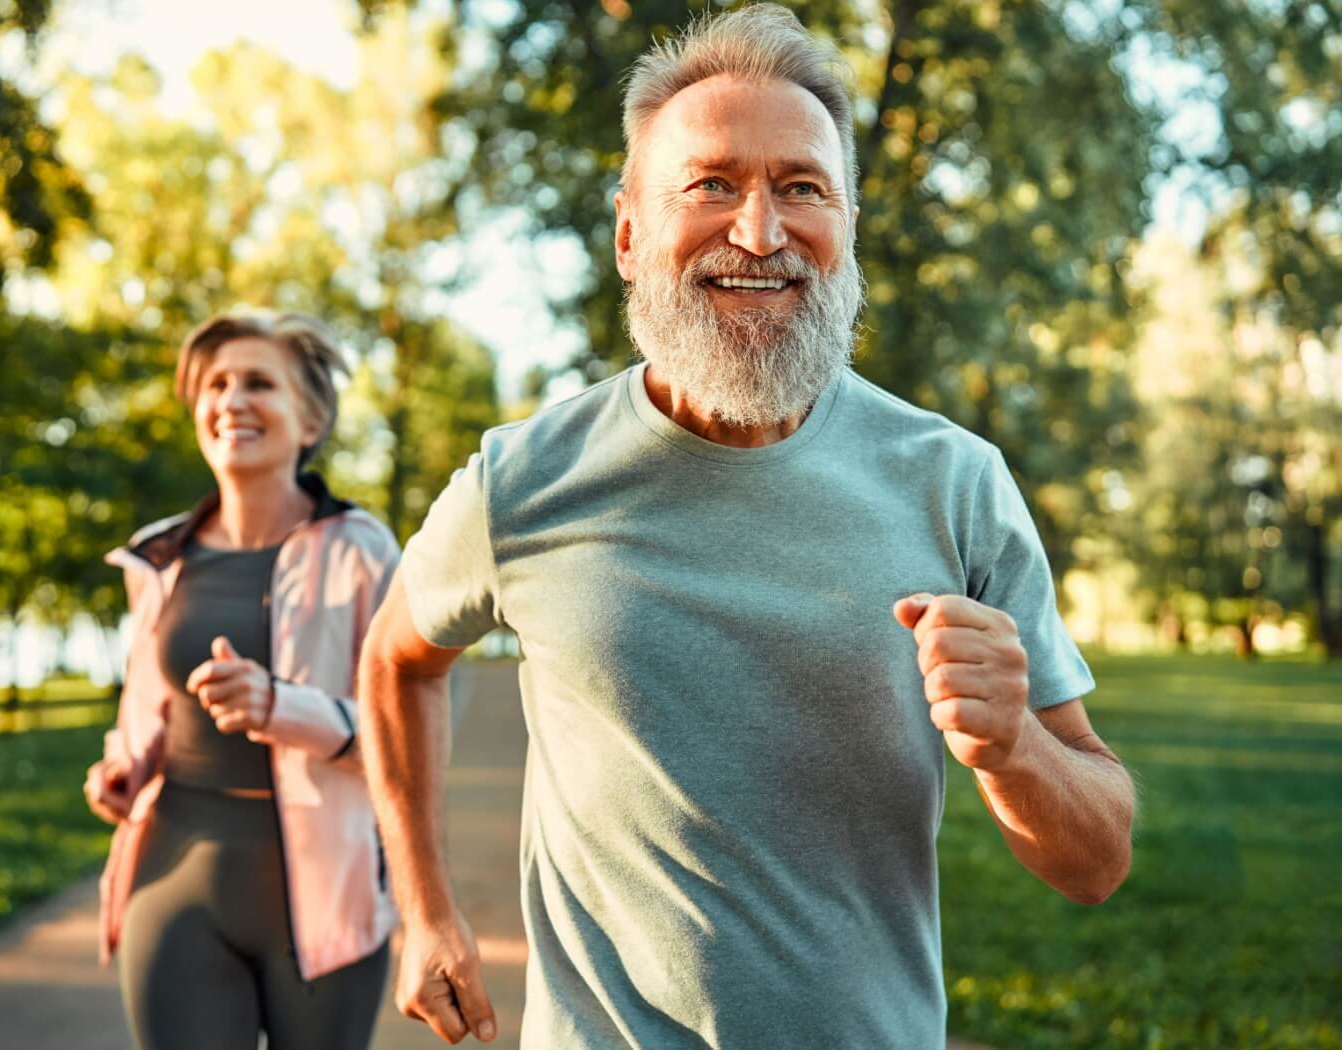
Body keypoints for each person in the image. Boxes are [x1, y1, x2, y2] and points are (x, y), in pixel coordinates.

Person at [356, 5, 1135, 1048]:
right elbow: (396, 662)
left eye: (800, 187)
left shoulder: (954, 482)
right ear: (630, 235)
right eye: (712, 183)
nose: (759, 232)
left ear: (847, 225)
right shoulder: (524, 478)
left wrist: (1012, 748)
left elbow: (1095, 862)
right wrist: (425, 913)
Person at [83, 311, 399, 1050]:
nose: (231, 400)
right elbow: (148, 717)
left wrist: (279, 707)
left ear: (311, 414)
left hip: (324, 901)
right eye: (215, 385)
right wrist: (125, 768)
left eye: (259, 382)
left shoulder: (363, 551)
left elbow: (407, 739)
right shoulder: (158, 559)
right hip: (173, 880)